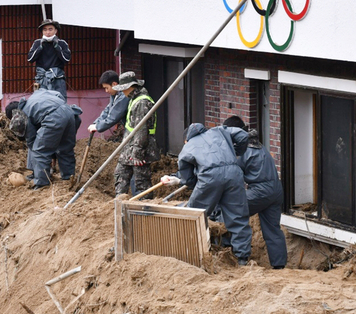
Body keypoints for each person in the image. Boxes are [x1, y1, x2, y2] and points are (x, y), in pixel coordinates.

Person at [161, 121, 252, 265]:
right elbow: (242, 135)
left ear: (186, 139)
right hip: (234, 173)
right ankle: (242, 258)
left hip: (209, 177)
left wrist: (190, 183)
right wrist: (235, 152)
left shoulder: (188, 147)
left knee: (194, 213)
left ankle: (189, 253)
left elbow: (187, 176)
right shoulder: (219, 131)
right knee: (238, 216)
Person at [223, 116, 287, 269]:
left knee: (234, 211)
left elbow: (232, 175)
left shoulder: (242, 150)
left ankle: (239, 256)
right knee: (273, 229)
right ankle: (279, 266)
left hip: (260, 191)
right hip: (276, 190)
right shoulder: (259, 146)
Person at [5, 88, 82, 189]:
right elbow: (58, 94)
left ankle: (42, 183)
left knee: (39, 150)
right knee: (65, 148)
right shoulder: (36, 97)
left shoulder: (22, 116)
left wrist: (39, 166)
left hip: (53, 117)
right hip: (69, 112)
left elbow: (32, 141)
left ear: (13, 116)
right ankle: (68, 177)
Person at [111, 71, 160, 196]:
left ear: (129, 87)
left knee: (141, 181)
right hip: (129, 146)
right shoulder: (134, 99)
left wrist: (137, 153)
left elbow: (141, 130)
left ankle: (144, 208)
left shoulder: (142, 103)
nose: (122, 92)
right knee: (120, 175)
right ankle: (119, 203)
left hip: (140, 148)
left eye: (123, 89)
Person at [27, 19, 71, 100]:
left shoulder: (62, 43)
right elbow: (30, 59)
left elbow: (66, 59)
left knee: (59, 102)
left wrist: (56, 46)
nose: (48, 32)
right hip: (41, 78)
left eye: (50, 29)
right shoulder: (37, 43)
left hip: (57, 78)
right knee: (41, 102)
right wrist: (41, 47)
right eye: (45, 30)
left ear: (56, 31)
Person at [87, 70, 129, 138]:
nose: (106, 91)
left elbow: (113, 117)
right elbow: (108, 110)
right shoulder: (115, 94)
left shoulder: (124, 96)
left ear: (114, 84)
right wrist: (96, 123)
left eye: (107, 88)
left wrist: (97, 127)